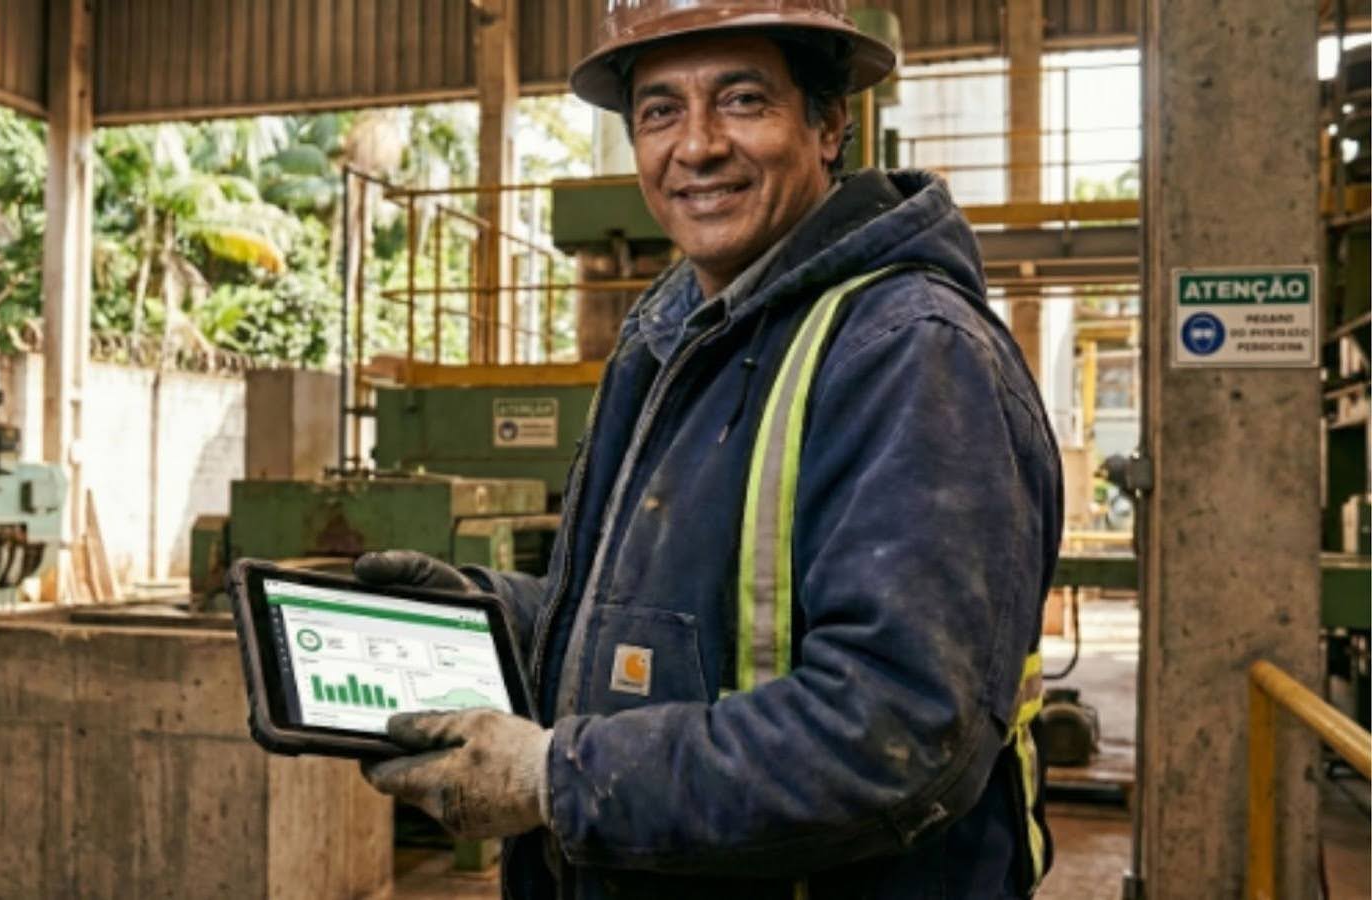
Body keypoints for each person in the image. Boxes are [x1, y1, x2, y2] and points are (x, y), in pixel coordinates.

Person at [357, 1, 1062, 896]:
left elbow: (898, 727)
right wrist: (488, 611)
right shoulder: (677, 338)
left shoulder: (908, 352)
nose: (695, 146)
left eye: (741, 100)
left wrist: (556, 778)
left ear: (829, 123)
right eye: (659, 111)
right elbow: (673, 638)